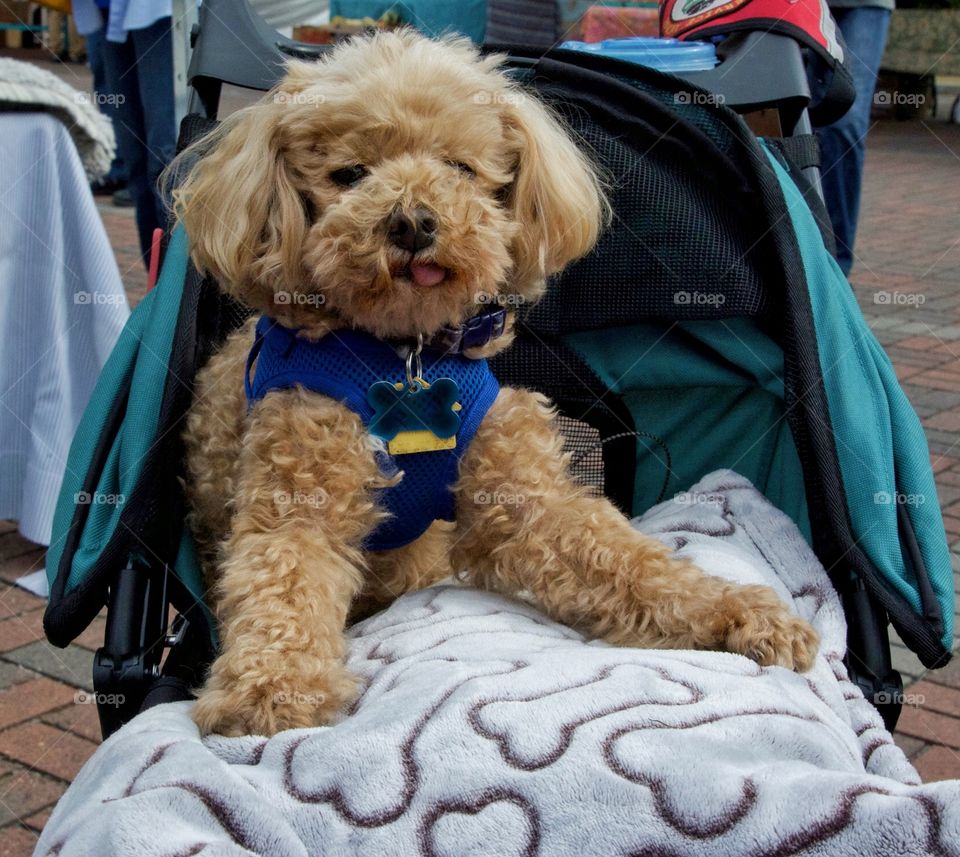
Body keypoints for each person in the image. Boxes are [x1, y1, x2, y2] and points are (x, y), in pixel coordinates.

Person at [74, 0, 176, 263]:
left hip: (158, 11)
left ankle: (179, 286)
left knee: (164, 158)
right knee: (136, 161)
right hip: (108, 11)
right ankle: (155, 283)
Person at [814, 0, 893, 276]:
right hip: (793, 5)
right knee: (783, 114)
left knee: (841, 120)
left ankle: (836, 272)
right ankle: (794, 260)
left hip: (864, 4)